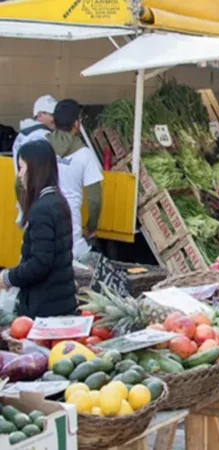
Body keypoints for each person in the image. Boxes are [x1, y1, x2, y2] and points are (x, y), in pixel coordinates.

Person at [0, 141, 76, 318]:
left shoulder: (42, 209)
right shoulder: (57, 201)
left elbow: (40, 263)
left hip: (45, 307)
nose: (19, 176)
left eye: (21, 168)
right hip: (61, 301)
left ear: (35, 169)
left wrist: (8, 278)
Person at [48, 100, 104, 260]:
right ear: (77, 123)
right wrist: (91, 227)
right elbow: (95, 200)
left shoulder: (42, 146)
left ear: (54, 122)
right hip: (69, 227)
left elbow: (21, 184)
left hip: (41, 223)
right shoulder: (84, 155)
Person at [12, 95, 58, 225]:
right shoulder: (42, 137)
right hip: (37, 201)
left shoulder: (22, 135)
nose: (56, 119)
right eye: (52, 114)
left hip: (26, 201)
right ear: (40, 115)